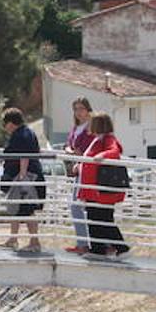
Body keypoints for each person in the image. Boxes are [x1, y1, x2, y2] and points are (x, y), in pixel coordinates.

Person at [79, 112, 128, 257]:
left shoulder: (108, 139)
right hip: (93, 189)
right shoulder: (98, 139)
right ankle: (97, 249)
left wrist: (102, 155)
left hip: (101, 190)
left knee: (103, 219)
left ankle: (122, 248)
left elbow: (115, 151)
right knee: (94, 219)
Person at [0, 108, 45, 254]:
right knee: (16, 209)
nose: (4, 127)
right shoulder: (27, 132)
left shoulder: (21, 135)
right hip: (25, 177)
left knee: (27, 210)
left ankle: (34, 241)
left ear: (11, 123)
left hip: (25, 178)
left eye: (5, 123)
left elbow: (24, 155)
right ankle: (13, 239)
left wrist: (22, 177)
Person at [64, 97, 94, 253]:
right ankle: (83, 242)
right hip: (77, 170)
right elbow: (69, 144)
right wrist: (70, 150)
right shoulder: (75, 128)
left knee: (79, 206)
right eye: (75, 109)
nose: (78, 112)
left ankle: (86, 243)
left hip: (87, 170)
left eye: (81, 108)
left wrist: (79, 153)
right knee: (77, 206)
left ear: (88, 109)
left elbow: (91, 146)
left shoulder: (92, 127)